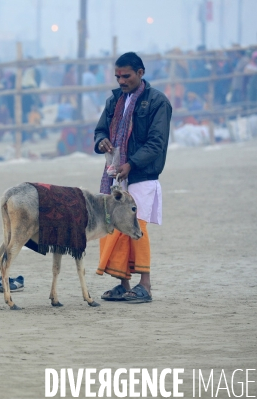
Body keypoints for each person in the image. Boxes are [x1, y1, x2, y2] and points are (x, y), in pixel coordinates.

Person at [94, 52, 172, 303]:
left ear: (141, 73)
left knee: (137, 226)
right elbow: (100, 130)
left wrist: (131, 164)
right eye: (117, 76)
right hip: (116, 174)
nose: (121, 81)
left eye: (126, 76)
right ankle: (124, 284)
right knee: (115, 227)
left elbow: (156, 143)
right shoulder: (114, 100)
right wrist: (101, 141)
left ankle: (145, 286)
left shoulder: (158, 102)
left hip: (143, 175)